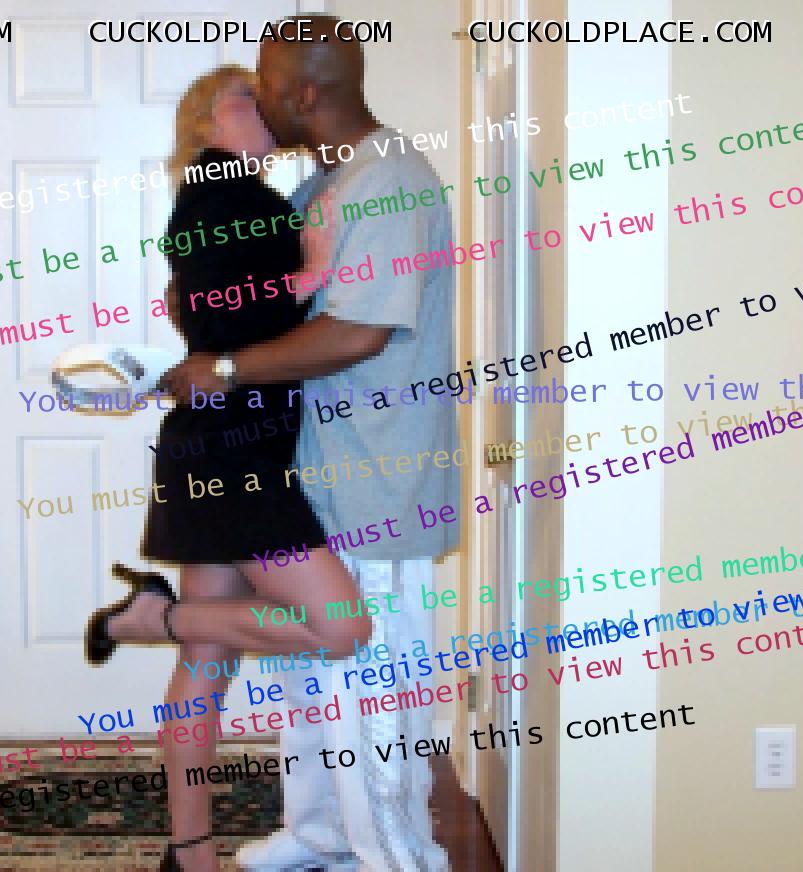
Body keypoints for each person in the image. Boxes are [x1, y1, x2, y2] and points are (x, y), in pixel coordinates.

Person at [163, 16, 461, 872]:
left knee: (370, 696)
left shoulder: (387, 179)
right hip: (310, 473)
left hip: (378, 476)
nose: (256, 97)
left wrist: (223, 366)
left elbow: (357, 331)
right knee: (314, 690)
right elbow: (255, 295)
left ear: (304, 93)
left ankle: (396, 858)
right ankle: (320, 835)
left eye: (263, 83)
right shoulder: (319, 187)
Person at [83, 64, 377, 872]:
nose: (261, 106)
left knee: (208, 661)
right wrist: (310, 271)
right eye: (242, 98)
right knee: (340, 626)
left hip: (217, 444)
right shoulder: (225, 190)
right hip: (234, 453)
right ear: (205, 124)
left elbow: (198, 305)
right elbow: (224, 314)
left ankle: (191, 854)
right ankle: (154, 617)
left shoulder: (220, 197)